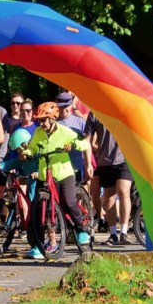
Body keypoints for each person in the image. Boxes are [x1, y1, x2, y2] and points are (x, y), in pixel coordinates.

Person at [26, 102, 93, 258]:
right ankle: (39, 245)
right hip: (45, 174)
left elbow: (84, 144)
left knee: (69, 202)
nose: (41, 123)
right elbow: (32, 147)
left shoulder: (64, 131)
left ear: (52, 119)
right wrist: (27, 152)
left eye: (43, 120)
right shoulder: (38, 132)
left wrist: (74, 144)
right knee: (39, 209)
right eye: (39, 120)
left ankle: (80, 228)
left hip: (63, 173)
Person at [85, 110, 133, 245]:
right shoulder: (94, 113)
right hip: (104, 160)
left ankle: (124, 232)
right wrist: (88, 163)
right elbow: (87, 140)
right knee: (109, 196)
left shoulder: (120, 107)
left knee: (123, 191)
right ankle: (113, 233)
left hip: (124, 158)